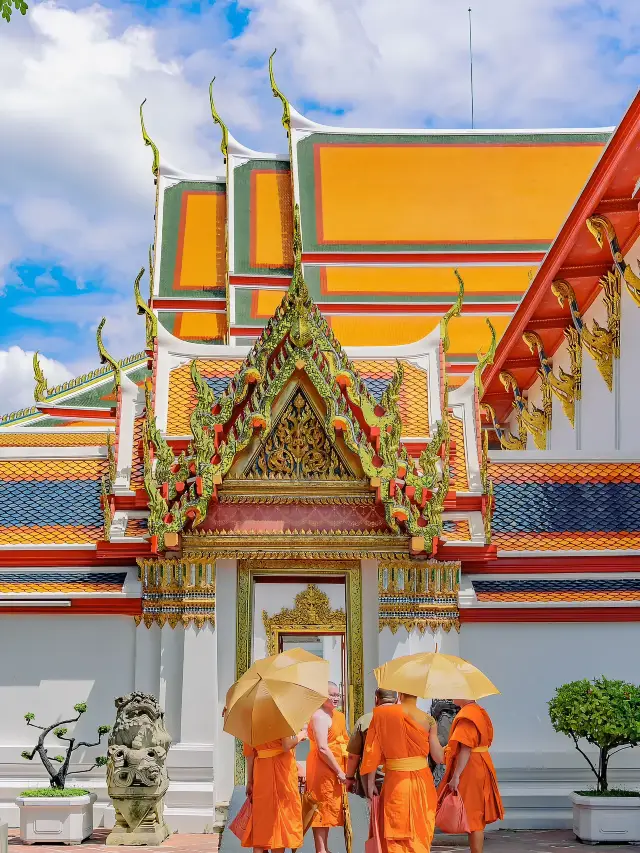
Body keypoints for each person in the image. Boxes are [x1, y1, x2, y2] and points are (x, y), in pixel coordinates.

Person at [361, 699, 444, 853]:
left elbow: (372, 752)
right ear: (417, 695)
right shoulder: (429, 720)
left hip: (396, 783)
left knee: (396, 830)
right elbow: (439, 758)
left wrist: (370, 783)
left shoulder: (382, 715)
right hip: (421, 783)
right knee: (420, 829)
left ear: (400, 692)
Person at [438, 700, 504, 853]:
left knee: (474, 818)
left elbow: (466, 748)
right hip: (480, 762)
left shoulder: (468, 715)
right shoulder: (478, 711)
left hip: (471, 767)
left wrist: (456, 776)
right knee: (474, 816)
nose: (452, 697)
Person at [242, 729, 307, 853]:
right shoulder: (279, 716)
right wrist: (300, 736)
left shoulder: (252, 722)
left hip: (261, 771)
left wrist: (250, 781)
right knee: (279, 821)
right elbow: (287, 745)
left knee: (261, 821)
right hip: (282, 772)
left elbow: (250, 755)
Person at [306, 682, 349, 853]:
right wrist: (339, 771)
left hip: (335, 766)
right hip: (323, 768)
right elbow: (323, 748)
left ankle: (325, 847)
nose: (336, 697)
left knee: (329, 806)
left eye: (338, 694)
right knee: (321, 806)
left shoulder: (337, 715)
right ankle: (321, 849)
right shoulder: (319, 716)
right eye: (332, 694)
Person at [345, 688, 398, 796]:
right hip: (400, 778)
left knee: (375, 811)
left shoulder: (365, 720)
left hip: (373, 780)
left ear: (376, 700)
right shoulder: (406, 719)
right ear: (396, 701)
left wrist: (349, 777)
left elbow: (353, 756)